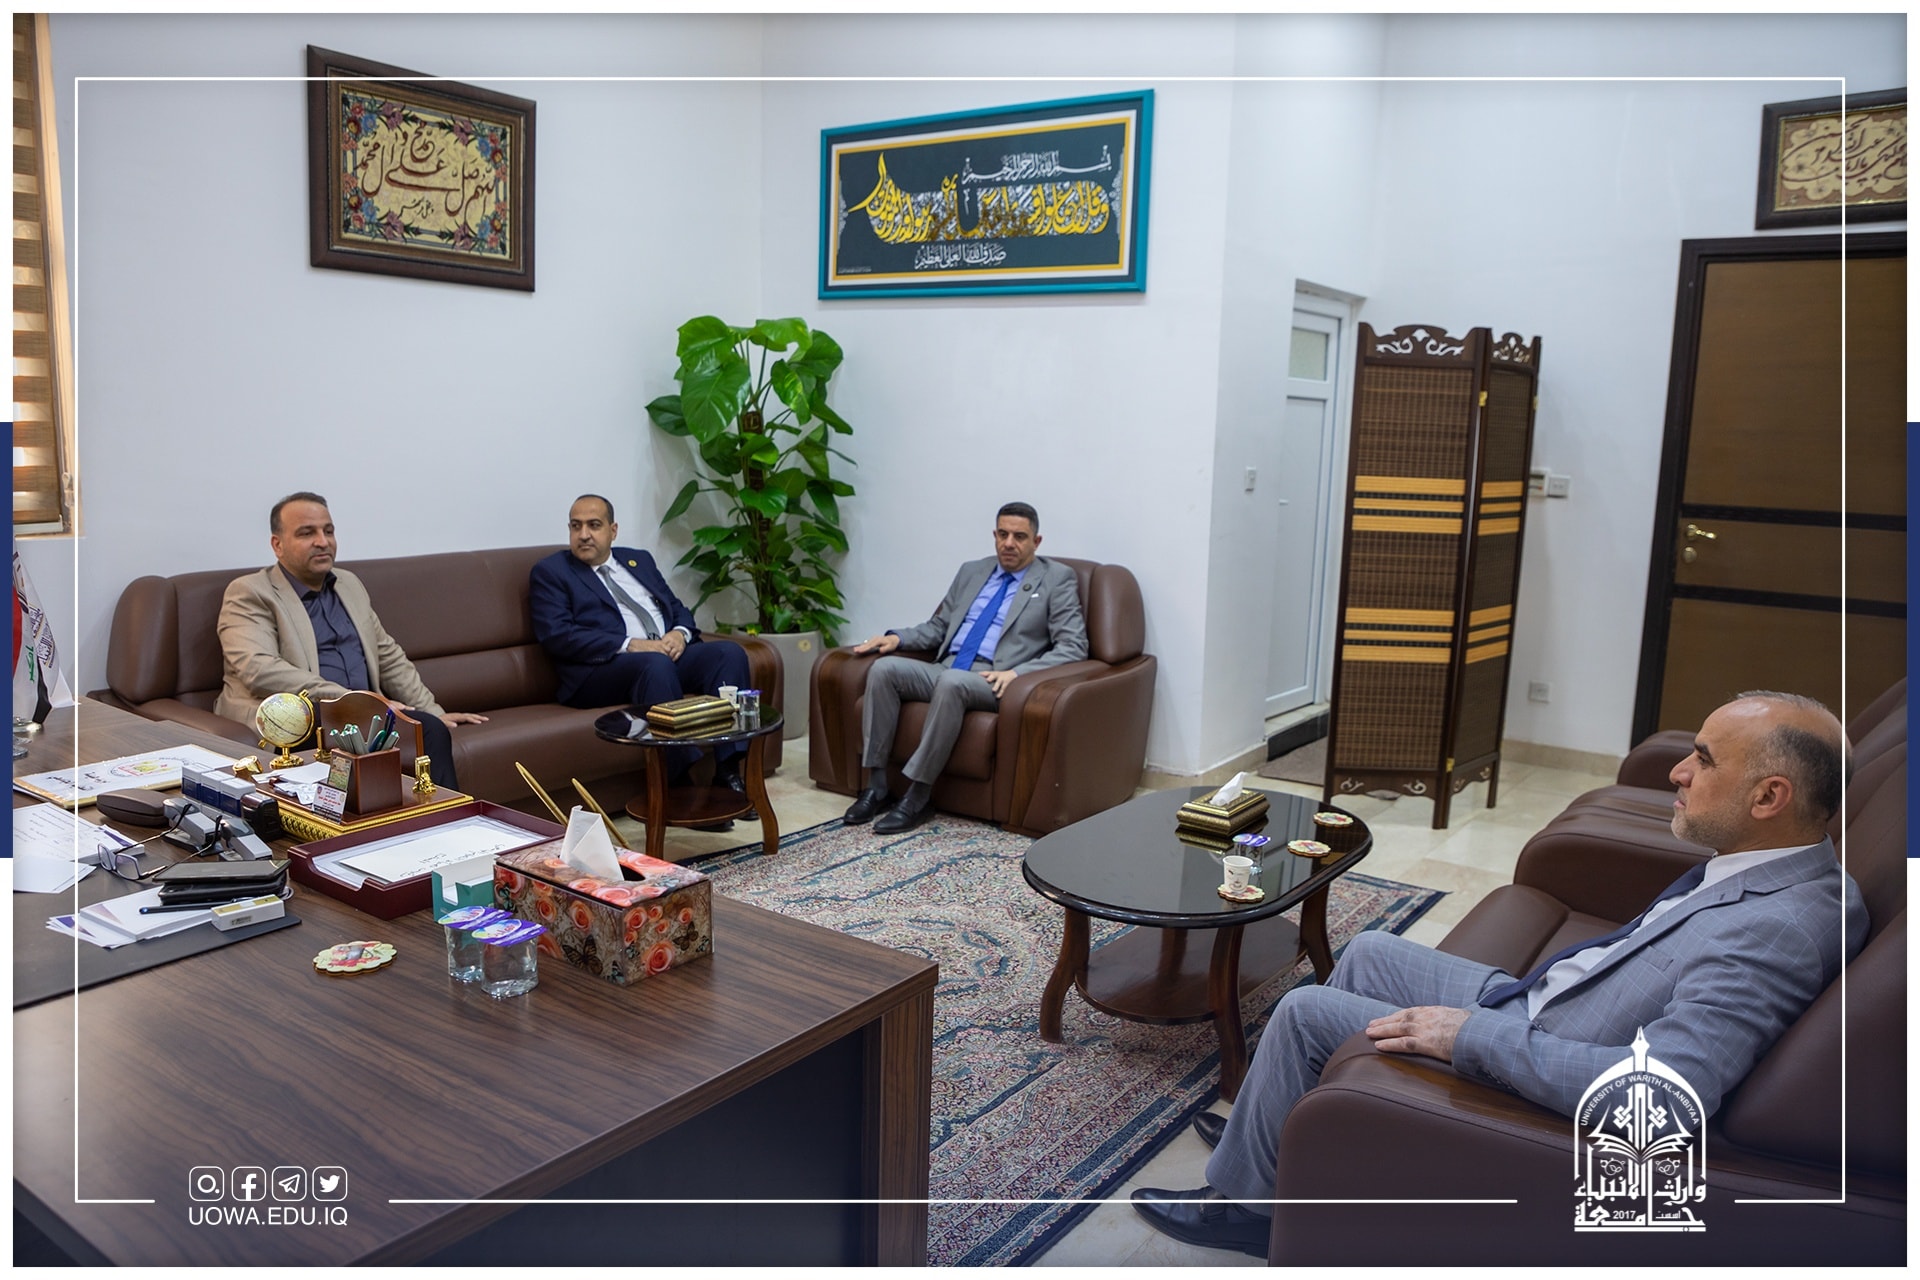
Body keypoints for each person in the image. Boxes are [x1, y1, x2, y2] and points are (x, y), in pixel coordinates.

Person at [1132, 691, 1866, 1258]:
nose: (1678, 771)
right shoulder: (1778, 871)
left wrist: (1467, 1037)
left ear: (1768, 798)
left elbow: (1662, 1098)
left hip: (1540, 1042)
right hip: (1549, 1000)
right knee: (1369, 951)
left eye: (1703, 760)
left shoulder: (1779, 928)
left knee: (1304, 1013)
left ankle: (1248, 1209)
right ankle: (1283, 1144)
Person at [841, 501, 1087, 834]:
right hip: (946, 666)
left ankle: (918, 794)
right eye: (1002, 534)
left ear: (1036, 542)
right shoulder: (973, 571)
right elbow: (939, 627)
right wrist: (897, 639)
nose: (1009, 543)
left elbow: (1073, 646)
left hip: (993, 678)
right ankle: (877, 785)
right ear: (994, 535)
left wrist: (1017, 674)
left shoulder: (1056, 579)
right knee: (884, 669)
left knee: (952, 682)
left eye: (1019, 537)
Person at [216, 492, 488, 789]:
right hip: (302, 717)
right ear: (277, 545)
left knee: (429, 726)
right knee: (428, 731)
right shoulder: (251, 591)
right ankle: (447, 815)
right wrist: (352, 701)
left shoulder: (349, 584)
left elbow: (387, 656)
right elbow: (259, 669)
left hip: (364, 716)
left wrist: (433, 711)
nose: (322, 541)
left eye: (328, 531)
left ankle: (437, 814)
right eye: (307, 533)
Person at [527, 494, 753, 800]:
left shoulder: (638, 560)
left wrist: (679, 633)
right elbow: (557, 634)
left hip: (662, 656)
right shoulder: (552, 572)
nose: (584, 534)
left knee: (728, 653)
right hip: (601, 671)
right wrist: (630, 644)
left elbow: (676, 607)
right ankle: (680, 786)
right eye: (576, 526)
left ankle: (728, 771)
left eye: (594, 525)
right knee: (654, 664)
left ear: (613, 530)